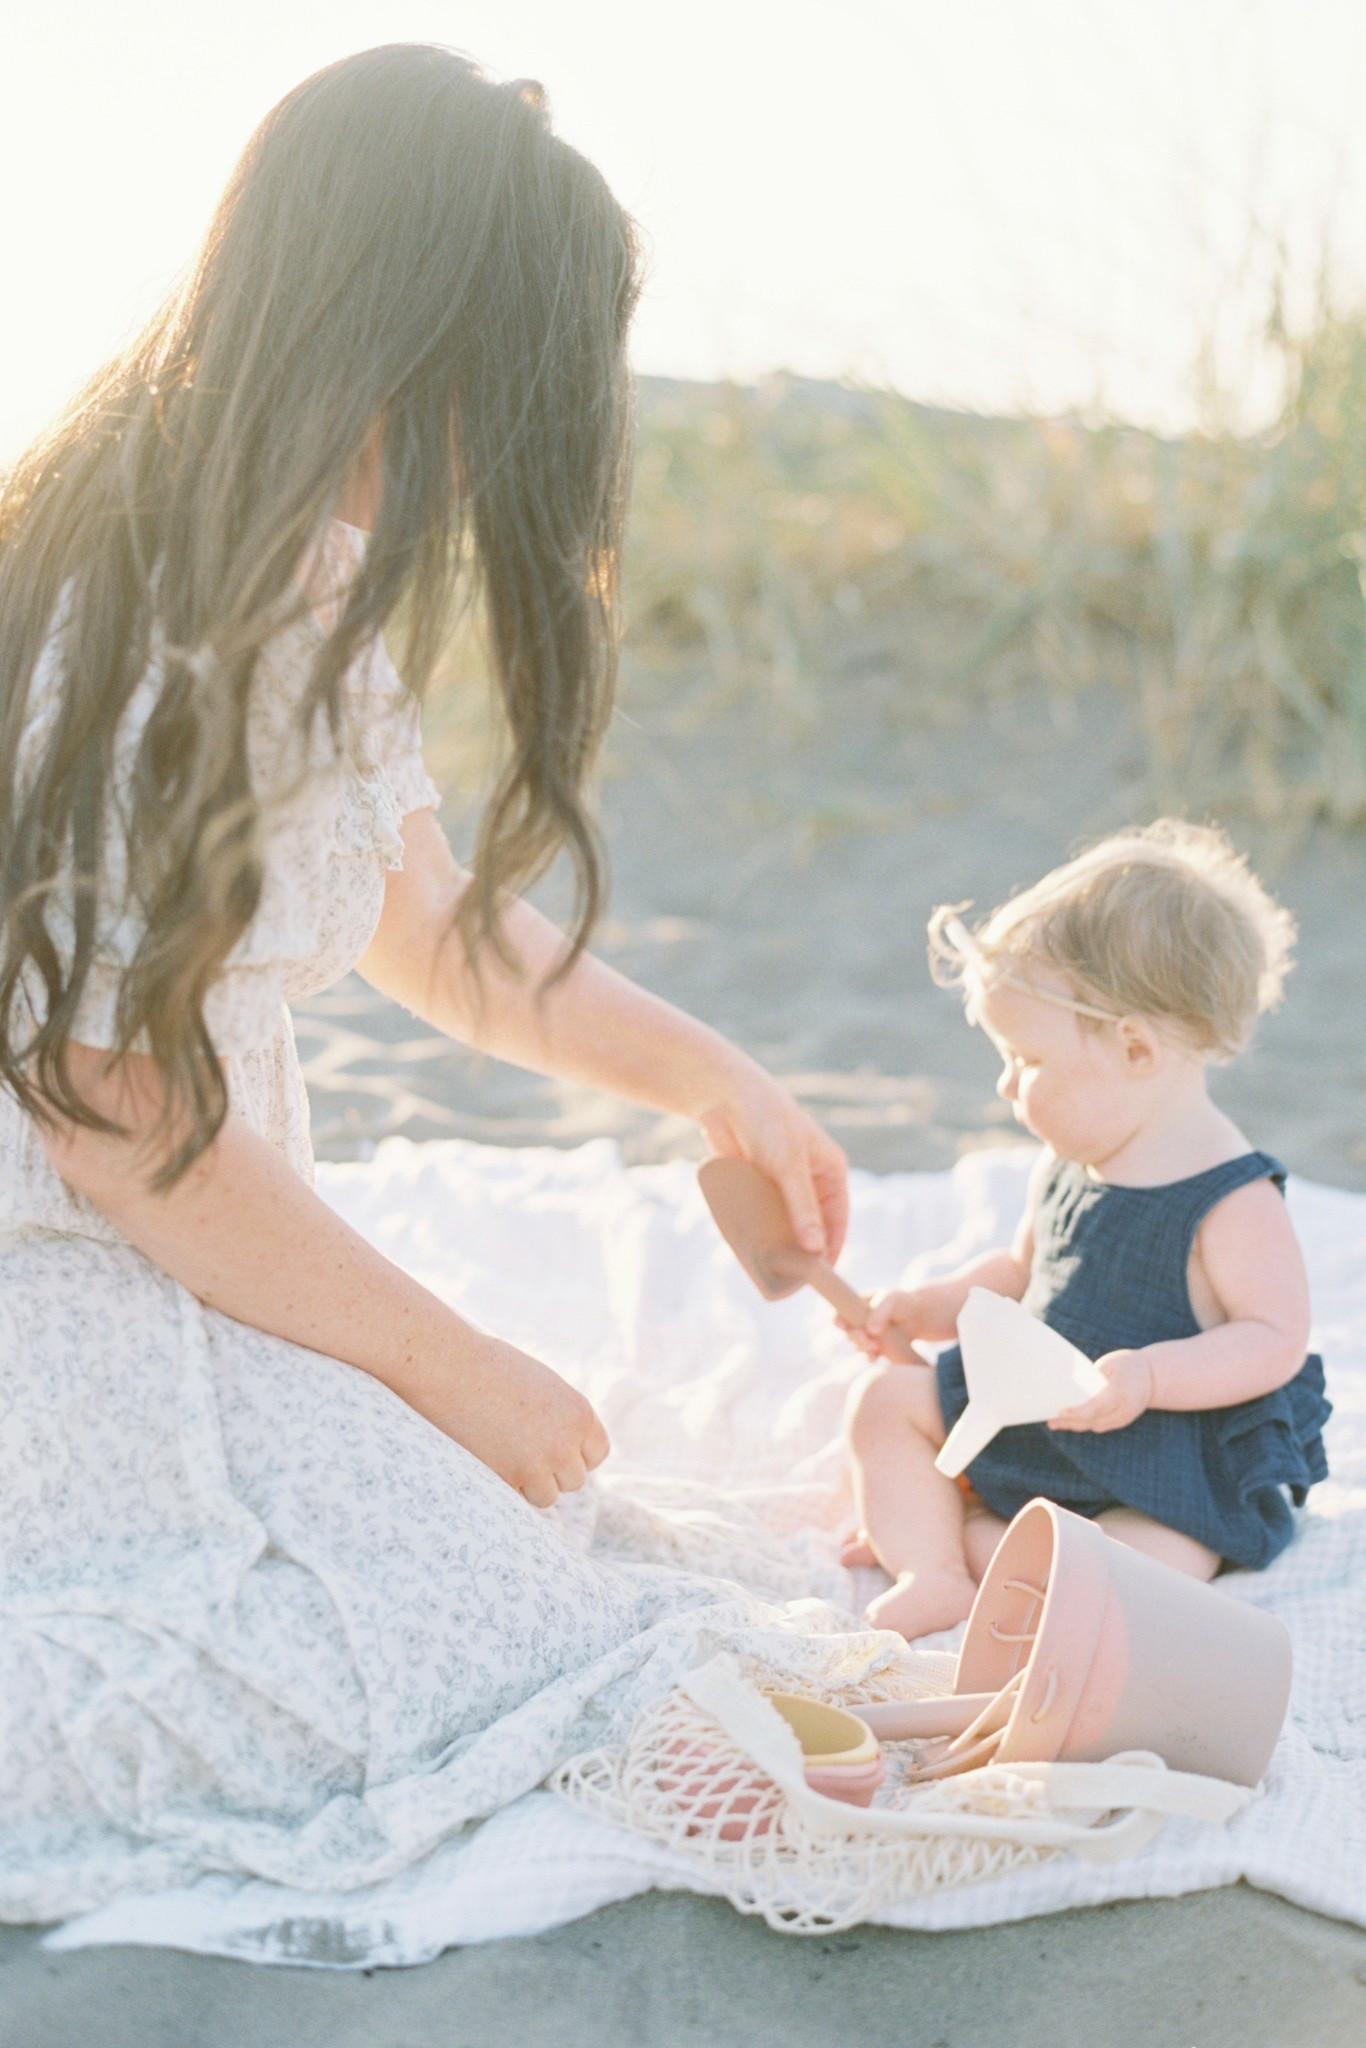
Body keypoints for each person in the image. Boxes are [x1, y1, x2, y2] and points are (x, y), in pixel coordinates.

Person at [0, 46, 849, 1919]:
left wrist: (718, 1081)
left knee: (555, 1550)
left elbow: (429, 920)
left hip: (207, 1234)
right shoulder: (134, 604)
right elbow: (118, 1118)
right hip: (78, 1266)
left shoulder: (297, 567)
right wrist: (443, 1358)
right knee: (461, 1623)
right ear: (408, 335)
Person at [841, 821, 1331, 1639]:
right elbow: (1023, 1272)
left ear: (1136, 1048)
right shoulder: (1072, 1160)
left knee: (1154, 1561)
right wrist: (929, 1306)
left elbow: (1272, 1338)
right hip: (1038, 1414)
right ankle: (935, 1569)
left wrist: (1147, 1378)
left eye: (1026, 1061)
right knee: (882, 1404)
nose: (1005, 1085)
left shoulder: (1231, 1199)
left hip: (1161, 1457)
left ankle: (993, 1546)